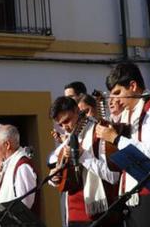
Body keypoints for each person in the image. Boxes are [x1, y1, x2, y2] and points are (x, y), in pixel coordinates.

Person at [95, 62, 150, 227]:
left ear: (133, 86)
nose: (115, 100)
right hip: (134, 193)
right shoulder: (129, 113)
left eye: (118, 93)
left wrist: (116, 138)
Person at [49, 96, 119, 227]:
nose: (65, 128)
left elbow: (113, 176)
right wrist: (54, 178)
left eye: (67, 121)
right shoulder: (69, 140)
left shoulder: (99, 133)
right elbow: (57, 167)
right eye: (60, 125)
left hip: (100, 214)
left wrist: (82, 155)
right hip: (73, 214)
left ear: (77, 111)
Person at [0, 125, 37, 215]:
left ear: (7, 145)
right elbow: (4, 199)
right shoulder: (9, 163)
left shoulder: (22, 166)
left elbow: (24, 206)